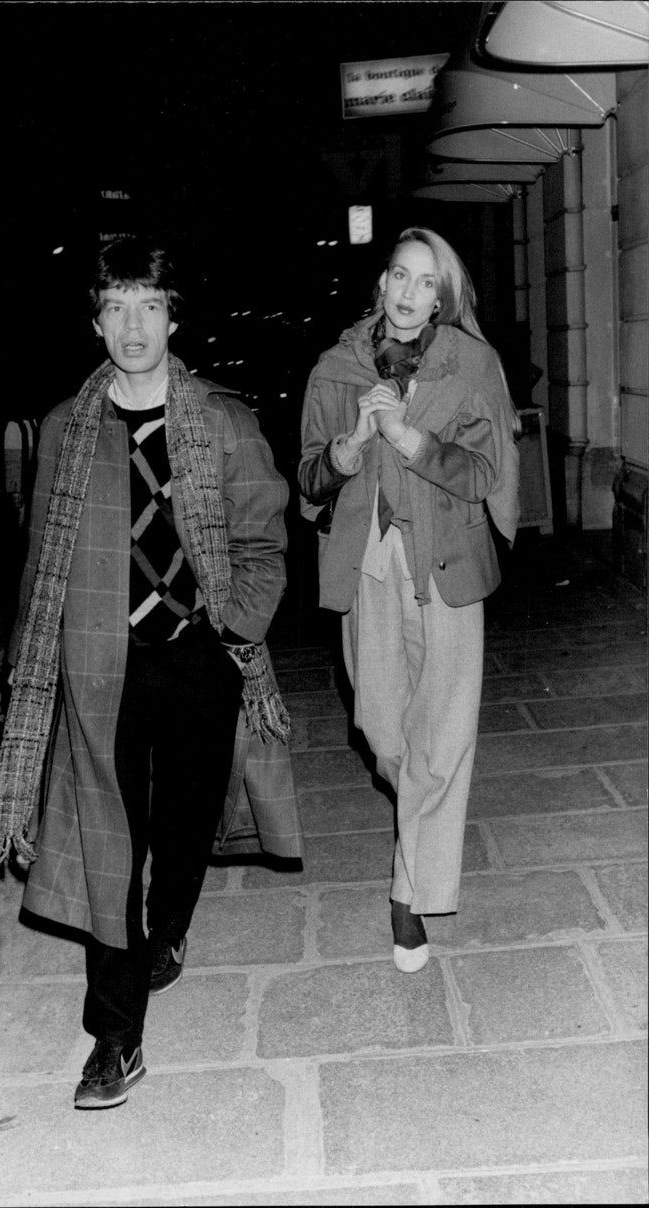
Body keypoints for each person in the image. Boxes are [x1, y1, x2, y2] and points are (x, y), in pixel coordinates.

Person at [0, 236, 302, 1109]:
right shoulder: (63, 431)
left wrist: (233, 625)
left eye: (148, 306)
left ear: (173, 317)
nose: (132, 325)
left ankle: (173, 925)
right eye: (115, 307)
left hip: (198, 661)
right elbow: (40, 561)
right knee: (108, 846)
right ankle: (113, 1039)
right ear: (95, 320)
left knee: (186, 823)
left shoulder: (226, 423)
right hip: (97, 668)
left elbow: (265, 546)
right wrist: (34, 667)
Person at [298, 226, 520, 974]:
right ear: (381, 283)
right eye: (399, 275)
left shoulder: (473, 365)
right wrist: (352, 445)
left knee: (445, 731)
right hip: (369, 563)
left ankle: (408, 892)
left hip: (448, 559)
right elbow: (308, 480)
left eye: (427, 282)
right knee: (383, 728)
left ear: (444, 296)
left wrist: (415, 443)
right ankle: (420, 833)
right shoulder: (336, 368)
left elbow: (489, 472)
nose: (408, 293)